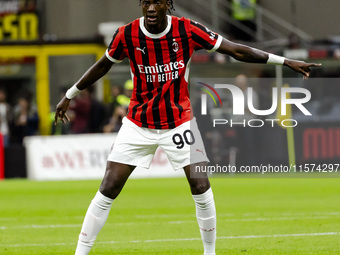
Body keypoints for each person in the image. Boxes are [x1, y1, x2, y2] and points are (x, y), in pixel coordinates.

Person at [54, 1, 321, 254]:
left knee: (200, 184)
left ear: (167, 4)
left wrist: (284, 61)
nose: (150, 8)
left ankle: (210, 252)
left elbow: (236, 50)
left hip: (179, 122)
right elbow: (102, 65)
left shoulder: (187, 29)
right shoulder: (126, 34)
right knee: (109, 187)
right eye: (146, 2)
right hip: (138, 123)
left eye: (157, 2)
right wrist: (70, 94)